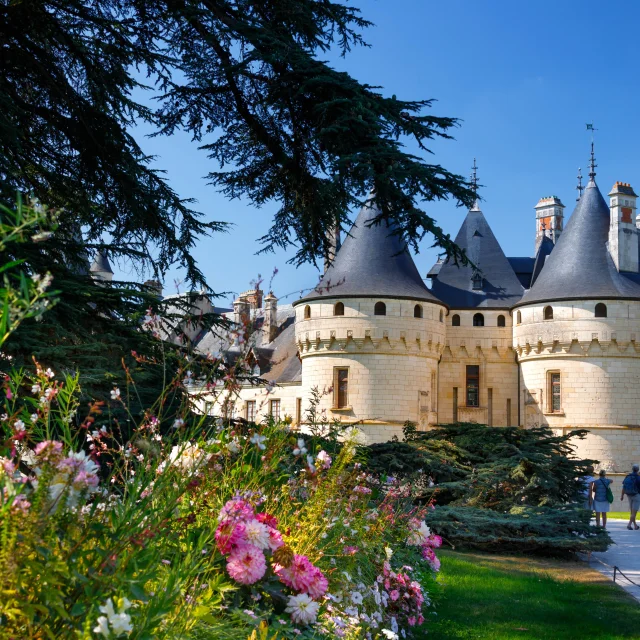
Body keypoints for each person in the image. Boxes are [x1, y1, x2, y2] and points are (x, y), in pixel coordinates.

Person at [621, 463, 640, 530]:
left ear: (632, 469)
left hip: (629, 495)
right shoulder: (638, 477)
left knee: (632, 512)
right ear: (637, 470)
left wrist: (622, 495)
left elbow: (624, 486)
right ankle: (629, 525)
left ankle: (635, 525)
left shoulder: (627, 476)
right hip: (636, 495)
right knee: (634, 512)